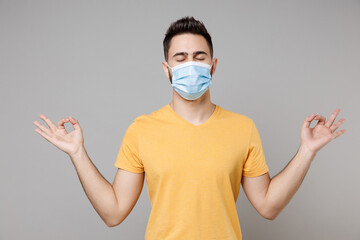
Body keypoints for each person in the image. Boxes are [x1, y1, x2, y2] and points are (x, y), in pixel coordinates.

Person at [33, 16, 347, 240]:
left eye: (199, 57)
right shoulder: (142, 130)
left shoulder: (242, 128)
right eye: (180, 58)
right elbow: (113, 212)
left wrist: (307, 150)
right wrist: (77, 153)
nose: (190, 64)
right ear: (166, 69)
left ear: (213, 65)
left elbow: (267, 206)